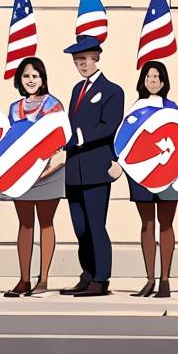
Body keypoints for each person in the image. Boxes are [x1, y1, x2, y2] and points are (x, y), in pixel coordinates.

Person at [61, 35, 124, 297]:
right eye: (77, 61)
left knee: (96, 225)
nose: (81, 65)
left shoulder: (113, 90)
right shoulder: (77, 89)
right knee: (80, 227)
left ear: (96, 57)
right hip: (74, 168)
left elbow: (109, 125)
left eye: (84, 60)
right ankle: (87, 274)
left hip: (96, 168)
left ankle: (101, 278)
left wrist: (77, 137)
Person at [2, 57, 66, 297]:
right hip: (23, 174)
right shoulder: (14, 108)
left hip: (50, 171)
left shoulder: (53, 105)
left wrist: (44, 169)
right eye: (27, 76)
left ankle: (44, 279)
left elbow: (59, 140)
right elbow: (10, 142)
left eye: (35, 76)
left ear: (43, 79)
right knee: (25, 224)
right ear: (20, 78)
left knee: (46, 222)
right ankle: (24, 279)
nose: (31, 80)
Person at [125, 61, 178, 298]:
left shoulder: (173, 108)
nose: (153, 81)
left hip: (168, 173)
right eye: (149, 76)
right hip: (141, 174)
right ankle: (149, 279)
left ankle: (165, 279)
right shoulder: (135, 108)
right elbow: (125, 141)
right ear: (143, 80)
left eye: (158, 77)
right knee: (147, 225)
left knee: (166, 224)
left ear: (164, 81)